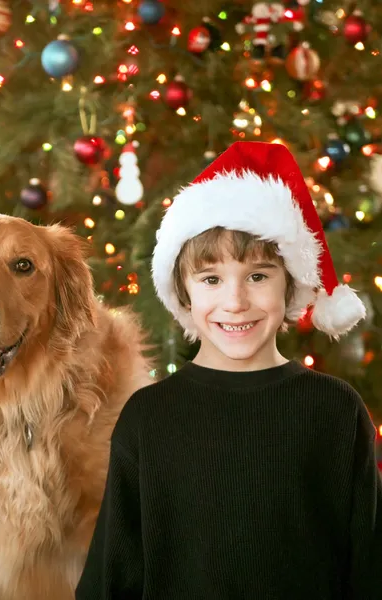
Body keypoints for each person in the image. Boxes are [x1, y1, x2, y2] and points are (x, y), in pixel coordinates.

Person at [75, 141, 382, 599]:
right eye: (211, 279)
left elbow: (369, 570)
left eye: (258, 276)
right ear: (184, 292)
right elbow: (111, 580)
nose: (235, 302)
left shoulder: (335, 409)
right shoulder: (149, 417)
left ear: (290, 283)